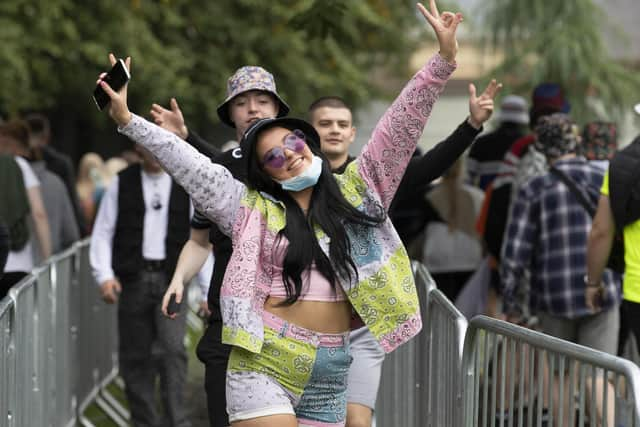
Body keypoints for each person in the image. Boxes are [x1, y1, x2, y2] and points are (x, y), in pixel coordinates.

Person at [98, 2, 461, 425]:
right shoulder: (248, 209)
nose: (286, 157)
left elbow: (399, 126)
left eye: (291, 144)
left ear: (309, 144)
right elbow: (192, 168)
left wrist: (443, 62)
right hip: (263, 362)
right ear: (263, 174)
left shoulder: (360, 189)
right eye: (271, 158)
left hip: (332, 370)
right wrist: (127, 119)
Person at [151, 64, 290, 427]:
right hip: (226, 324)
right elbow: (198, 241)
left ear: (277, 110)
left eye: (263, 100)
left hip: (289, 325)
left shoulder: (299, 166)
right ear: (230, 113)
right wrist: (179, 279)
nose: (253, 109)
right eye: (242, 103)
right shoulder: (217, 171)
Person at [89, 143, 194, 427]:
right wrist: (104, 275)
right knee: (136, 356)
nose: (157, 154)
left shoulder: (185, 183)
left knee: (173, 351)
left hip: (173, 280)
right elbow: (102, 232)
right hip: (133, 279)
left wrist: (205, 288)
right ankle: (144, 421)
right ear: (138, 148)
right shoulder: (122, 183)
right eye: (150, 147)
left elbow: (200, 241)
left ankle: (177, 420)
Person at [2, 120, 79, 257]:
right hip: (23, 261)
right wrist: (47, 259)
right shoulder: (51, 180)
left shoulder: (19, 167)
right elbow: (39, 214)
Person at [24, 113, 87, 236]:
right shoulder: (61, 164)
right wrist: (81, 231)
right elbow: (72, 201)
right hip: (55, 232)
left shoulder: (16, 162)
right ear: (47, 136)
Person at [466, 94, 528, 190]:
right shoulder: (528, 144)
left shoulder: (481, 143)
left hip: (485, 201)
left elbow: (467, 179)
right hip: (518, 202)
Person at [77, 152, 106, 230]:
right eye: (89, 166)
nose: (92, 169)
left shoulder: (76, 188)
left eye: (94, 166)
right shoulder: (101, 189)